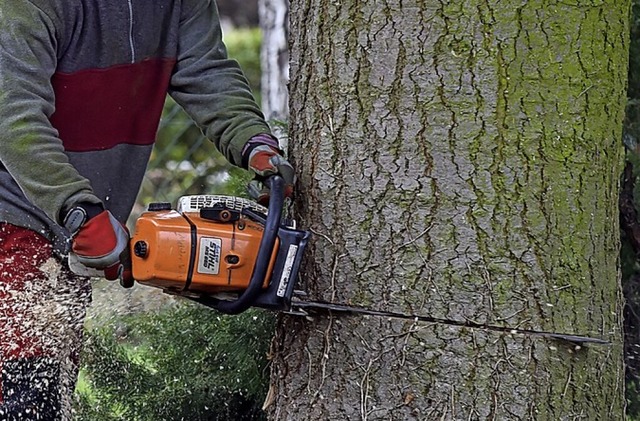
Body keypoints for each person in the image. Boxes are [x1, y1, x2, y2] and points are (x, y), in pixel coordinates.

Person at [0, 1, 295, 419]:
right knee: (25, 383)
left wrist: (253, 142)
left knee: (55, 373)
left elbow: (206, 71)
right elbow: (13, 118)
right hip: (15, 210)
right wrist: (78, 211)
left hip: (74, 213)